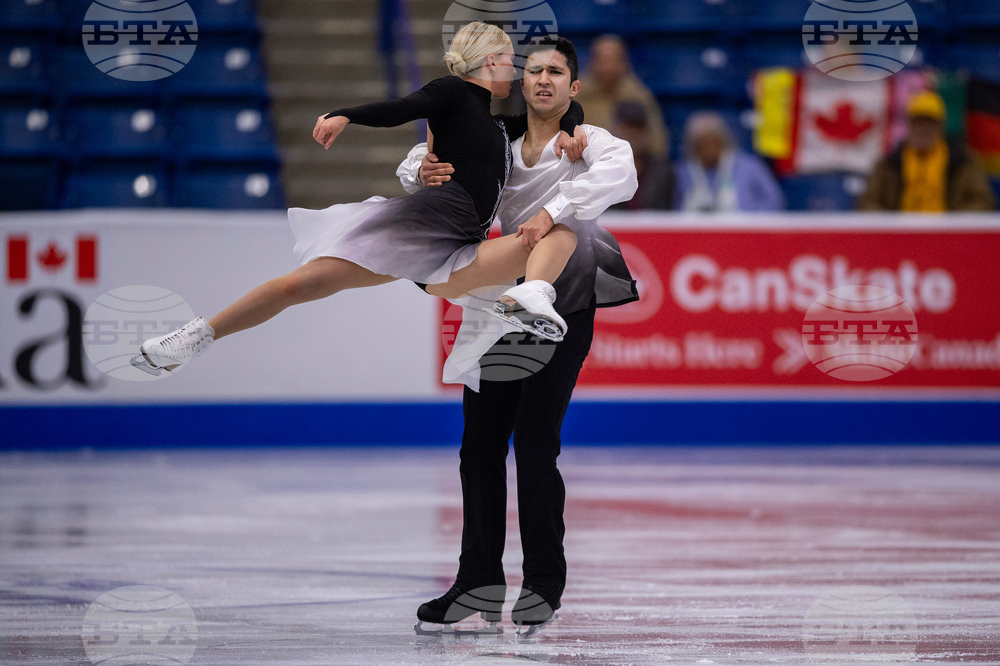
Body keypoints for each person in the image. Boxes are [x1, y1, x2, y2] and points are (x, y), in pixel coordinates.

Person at [130, 22, 587, 376]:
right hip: (419, 228)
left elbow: (563, 108)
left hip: (459, 252)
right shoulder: (451, 93)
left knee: (559, 234)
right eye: (510, 60)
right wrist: (345, 115)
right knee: (300, 286)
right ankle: (196, 336)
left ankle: (530, 296)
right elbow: (401, 108)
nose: (516, 71)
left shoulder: (499, 126)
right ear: (490, 60)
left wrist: (570, 128)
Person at [399, 37, 638, 633]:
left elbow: (624, 173)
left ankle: (542, 585)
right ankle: (477, 582)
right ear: (521, 83)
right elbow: (424, 159)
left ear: (573, 87)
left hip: (564, 305)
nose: (543, 79)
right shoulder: (496, 142)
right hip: (499, 306)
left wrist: (554, 210)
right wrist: (422, 170)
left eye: (556, 71)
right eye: (534, 70)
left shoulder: (587, 143)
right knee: (479, 446)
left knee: (534, 446)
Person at [857, 91, 997, 212]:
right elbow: (867, 202)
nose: (923, 129)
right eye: (917, 122)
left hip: (947, 233)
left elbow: (983, 201)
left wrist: (953, 223)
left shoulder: (963, 162)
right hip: (900, 233)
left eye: (929, 123)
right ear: (908, 125)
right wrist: (891, 224)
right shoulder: (887, 164)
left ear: (940, 126)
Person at [573, 34, 669, 159]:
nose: (607, 67)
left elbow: (658, 145)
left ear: (625, 63)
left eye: (612, 60)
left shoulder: (639, 97)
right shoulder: (575, 97)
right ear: (591, 62)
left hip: (630, 164)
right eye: (602, 60)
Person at [674, 111, 785, 212]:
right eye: (702, 144)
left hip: (744, 225)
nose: (708, 149)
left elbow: (775, 201)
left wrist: (746, 213)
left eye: (712, 142)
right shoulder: (682, 171)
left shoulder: (749, 166)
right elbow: (674, 208)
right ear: (693, 147)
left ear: (722, 141)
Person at [609, 101, 674, 210]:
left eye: (638, 127)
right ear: (615, 129)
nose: (633, 133)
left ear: (647, 131)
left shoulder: (663, 171)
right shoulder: (600, 168)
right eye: (627, 127)